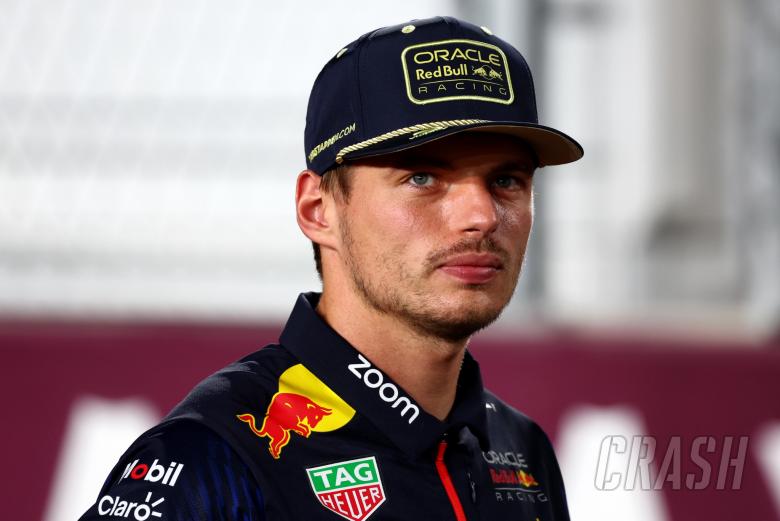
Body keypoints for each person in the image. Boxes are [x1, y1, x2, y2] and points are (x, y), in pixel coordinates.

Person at [79, 15, 582, 521]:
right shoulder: (213, 455)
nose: (481, 216)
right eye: (423, 176)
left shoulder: (522, 454)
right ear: (317, 210)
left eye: (507, 180)